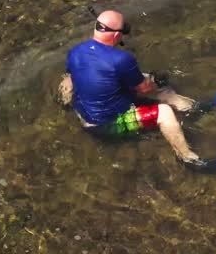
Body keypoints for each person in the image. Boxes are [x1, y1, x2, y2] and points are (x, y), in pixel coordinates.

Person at [59, 9, 203, 164]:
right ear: (116, 36)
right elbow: (145, 89)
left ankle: (64, 103)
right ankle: (187, 156)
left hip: (82, 115)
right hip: (104, 125)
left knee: (123, 80)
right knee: (164, 111)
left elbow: (71, 77)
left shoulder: (75, 51)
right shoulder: (122, 59)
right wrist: (156, 81)